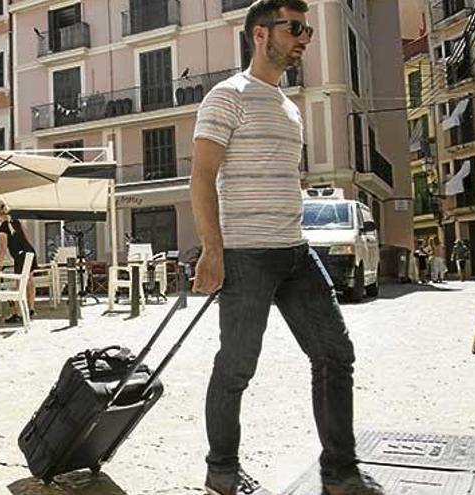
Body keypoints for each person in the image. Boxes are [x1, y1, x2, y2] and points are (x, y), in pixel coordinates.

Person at [190, 1, 383, 494]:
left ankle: (340, 472)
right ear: (260, 33)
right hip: (246, 255)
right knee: (235, 368)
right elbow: (202, 176)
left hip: (296, 252)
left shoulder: (289, 105)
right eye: (294, 28)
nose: (304, 38)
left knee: (336, 354)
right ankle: (222, 470)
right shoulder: (226, 96)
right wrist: (213, 250)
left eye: (308, 30)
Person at [0, 199, 37, 322]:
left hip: (20, 256)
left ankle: (18, 313)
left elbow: (2, 249)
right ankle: (31, 308)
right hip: (30, 252)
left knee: (19, 284)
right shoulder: (17, 222)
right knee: (30, 281)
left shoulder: (3, 228)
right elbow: (27, 239)